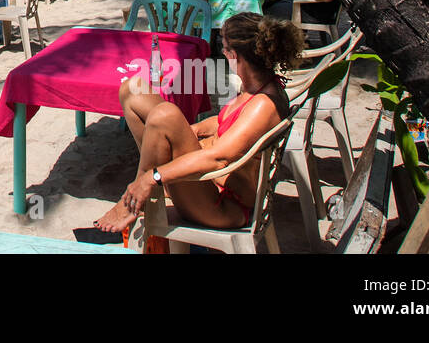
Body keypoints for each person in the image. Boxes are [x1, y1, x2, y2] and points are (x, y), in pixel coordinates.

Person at [94, 13, 304, 234]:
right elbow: (225, 121)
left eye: (224, 49)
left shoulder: (263, 105)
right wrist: (189, 131)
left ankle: (136, 194)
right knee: (133, 89)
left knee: (165, 114)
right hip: (207, 184)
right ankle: (143, 188)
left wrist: (152, 176)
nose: (223, 53)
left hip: (223, 204)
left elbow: (219, 159)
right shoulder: (255, 85)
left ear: (236, 56)